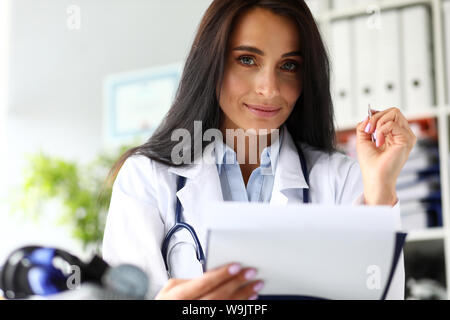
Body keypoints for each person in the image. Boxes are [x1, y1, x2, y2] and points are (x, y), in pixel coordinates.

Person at [101, 0, 417, 300]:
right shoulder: (147, 178)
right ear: (211, 64)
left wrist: (380, 191)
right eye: (247, 59)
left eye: (289, 65)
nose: (270, 88)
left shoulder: (341, 178)